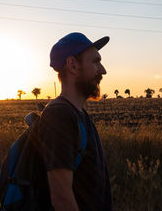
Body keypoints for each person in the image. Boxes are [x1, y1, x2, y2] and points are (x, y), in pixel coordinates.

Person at [38, 32, 112, 211]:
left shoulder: (77, 114)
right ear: (72, 65)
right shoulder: (60, 116)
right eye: (95, 61)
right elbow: (62, 199)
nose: (103, 70)